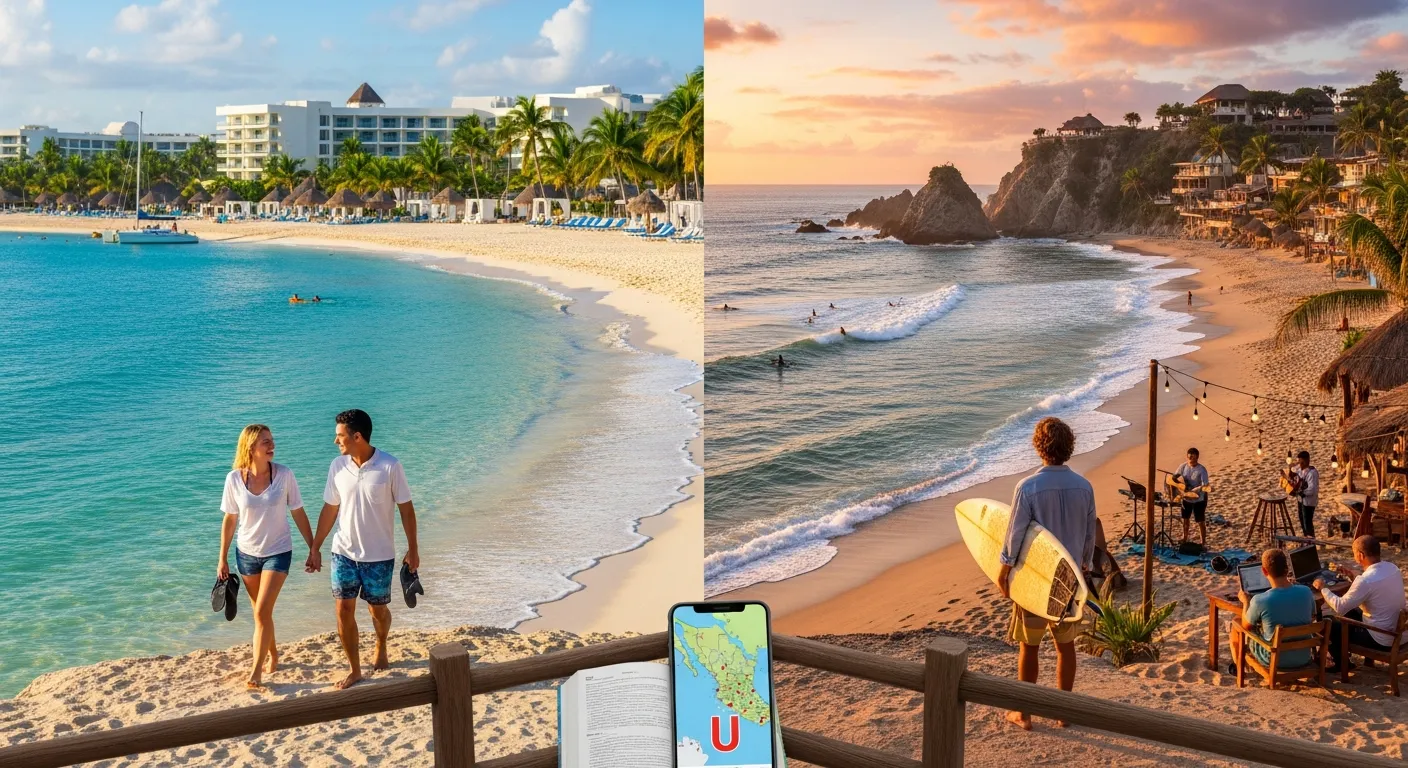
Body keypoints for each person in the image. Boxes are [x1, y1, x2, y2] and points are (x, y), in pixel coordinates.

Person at [308, 409, 419, 689]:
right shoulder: (337, 466)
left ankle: (381, 643)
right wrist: (315, 547)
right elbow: (330, 508)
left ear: (357, 436)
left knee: (377, 611)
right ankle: (355, 669)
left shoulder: (390, 466)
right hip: (343, 551)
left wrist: (413, 548)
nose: (336, 442)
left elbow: (406, 509)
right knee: (343, 610)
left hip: (379, 555)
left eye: (340, 436)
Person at [998, 417, 1096, 730]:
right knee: (1065, 648)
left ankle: (1024, 714)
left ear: (1038, 447)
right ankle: (1063, 712)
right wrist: (1084, 565)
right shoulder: (1084, 486)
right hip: (1070, 581)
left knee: (1030, 646)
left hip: (1037, 579)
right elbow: (1089, 532)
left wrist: (1004, 570)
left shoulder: (1027, 487)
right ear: (1069, 447)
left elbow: (1014, 535)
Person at [217, 425, 314, 690]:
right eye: (265, 442)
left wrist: (313, 547)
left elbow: (298, 511)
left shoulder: (284, 475)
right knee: (263, 613)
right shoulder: (234, 479)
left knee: (261, 611)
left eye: (272, 441)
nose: (272, 446)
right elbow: (230, 519)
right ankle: (272, 654)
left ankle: (256, 671)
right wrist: (222, 558)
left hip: (278, 551)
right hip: (247, 554)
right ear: (250, 447)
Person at [1316, 535, 1406, 673]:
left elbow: (1339, 606)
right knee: (1351, 613)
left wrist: (1323, 588)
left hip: (1382, 639)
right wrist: (1354, 577)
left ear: (1360, 555)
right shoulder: (1392, 568)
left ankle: (1340, 663)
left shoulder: (1365, 580)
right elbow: (1374, 591)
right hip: (1399, 632)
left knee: (1331, 624)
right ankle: (1344, 658)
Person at [1231, 548, 1316, 674]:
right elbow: (1312, 617)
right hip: (1304, 656)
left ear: (1264, 571)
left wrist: (1246, 602)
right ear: (1287, 569)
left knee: (1235, 625)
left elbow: (1246, 626)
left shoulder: (1260, 600)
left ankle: (1238, 670)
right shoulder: (1306, 592)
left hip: (1275, 660)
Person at [1172, 447, 1210, 545]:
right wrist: (1178, 484)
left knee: (1200, 521)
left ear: (1197, 458)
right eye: (1189, 457)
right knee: (1185, 519)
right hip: (1186, 498)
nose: (1191, 460)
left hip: (1199, 499)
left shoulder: (1201, 470)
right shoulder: (1183, 466)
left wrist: (1195, 490)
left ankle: (1203, 542)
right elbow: (1174, 477)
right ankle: (1184, 538)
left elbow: (1205, 485)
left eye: (1193, 458)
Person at [1291, 451, 1319, 537]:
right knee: (1302, 521)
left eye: (1302, 462)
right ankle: (1306, 538)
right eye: (1299, 462)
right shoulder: (1300, 469)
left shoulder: (1312, 473)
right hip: (1300, 500)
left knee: (1308, 523)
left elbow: (1312, 490)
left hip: (1308, 502)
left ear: (1307, 461)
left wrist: (1302, 492)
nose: (1300, 464)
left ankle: (1311, 540)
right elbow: (1293, 469)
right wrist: (1295, 463)